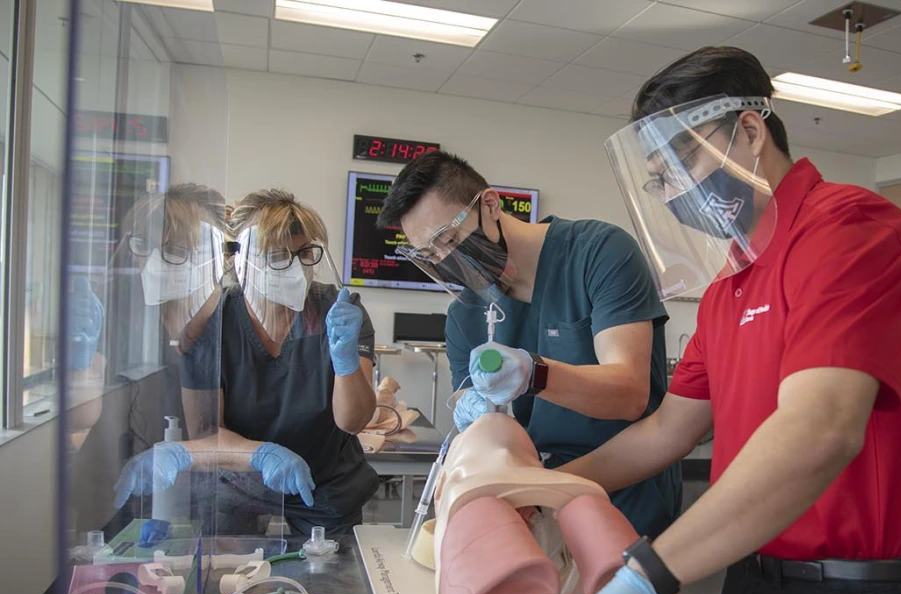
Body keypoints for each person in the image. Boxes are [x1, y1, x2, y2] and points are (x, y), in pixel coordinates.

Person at [529, 47, 901, 594]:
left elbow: (819, 432)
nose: (671, 196)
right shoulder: (731, 284)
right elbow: (667, 428)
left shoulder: (851, 233)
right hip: (754, 583)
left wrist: (644, 579)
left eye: (679, 168)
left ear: (751, 133)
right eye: (657, 180)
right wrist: (546, 488)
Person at [378, 151, 681, 538]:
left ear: (489, 204)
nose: (445, 260)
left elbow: (628, 394)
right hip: (530, 510)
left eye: (449, 239)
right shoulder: (465, 315)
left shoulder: (599, 254)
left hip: (624, 505)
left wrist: (533, 373)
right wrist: (473, 426)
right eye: (430, 254)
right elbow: (482, 429)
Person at [115, 189, 380, 534]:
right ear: (243, 261)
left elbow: (354, 420)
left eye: (305, 254)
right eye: (279, 257)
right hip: (237, 480)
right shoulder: (215, 319)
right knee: (231, 573)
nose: (297, 269)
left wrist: (345, 364)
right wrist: (261, 454)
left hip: (326, 483)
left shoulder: (339, 310)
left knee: (329, 575)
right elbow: (206, 431)